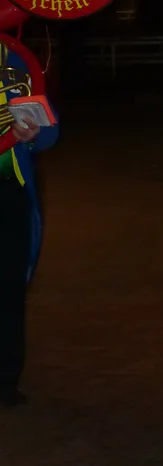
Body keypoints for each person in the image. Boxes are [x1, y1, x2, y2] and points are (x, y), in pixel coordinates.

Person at [0, 32, 58, 408]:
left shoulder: (16, 59)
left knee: (9, 288)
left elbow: (50, 131)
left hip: (10, 189)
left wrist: (35, 133)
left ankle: (5, 378)